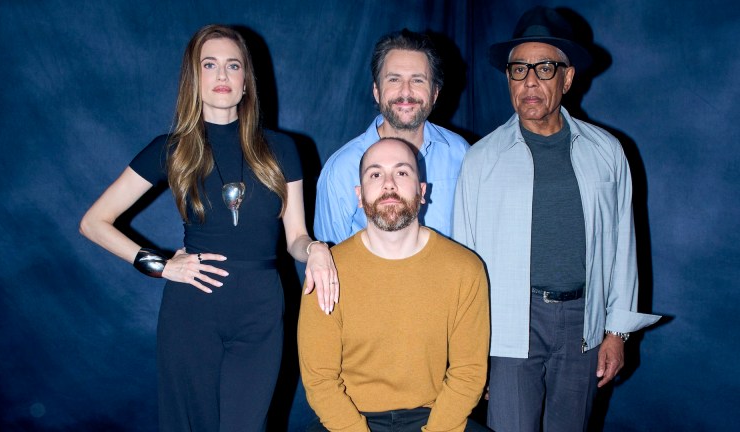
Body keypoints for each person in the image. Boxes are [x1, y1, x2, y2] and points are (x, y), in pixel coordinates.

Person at [79, 25, 338, 431]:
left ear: (246, 81)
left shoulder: (282, 149)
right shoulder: (172, 148)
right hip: (192, 312)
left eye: (233, 66)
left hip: (261, 312)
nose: (222, 75)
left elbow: (296, 238)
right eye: (209, 65)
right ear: (194, 79)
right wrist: (162, 265)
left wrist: (317, 249)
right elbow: (93, 223)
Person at [452, 7, 661, 432]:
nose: (530, 81)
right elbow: (463, 262)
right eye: (518, 69)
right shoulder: (481, 160)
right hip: (508, 323)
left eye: (544, 68)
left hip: (584, 322)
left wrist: (617, 332)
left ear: (567, 79)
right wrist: (470, 353)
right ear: (508, 78)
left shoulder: (607, 152)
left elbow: (624, 246)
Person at [298, 138, 490, 432]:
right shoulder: (326, 272)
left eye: (401, 172)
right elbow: (320, 380)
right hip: (351, 418)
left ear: (422, 191)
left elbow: (468, 373)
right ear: (359, 195)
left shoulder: (465, 269)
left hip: (433, 417)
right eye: (375, 174)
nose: (388, 184)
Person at [313, 28, 469, 245]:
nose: (405, 92)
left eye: (417, 80)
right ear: (376, 91)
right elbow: (330, 257)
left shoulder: (461, 155)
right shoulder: (340, 170)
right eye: (394, 80)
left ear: (435, 93)